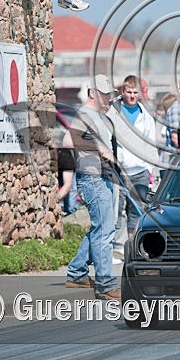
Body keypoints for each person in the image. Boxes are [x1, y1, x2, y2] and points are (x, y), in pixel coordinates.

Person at [63, 74, 120, 300]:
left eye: (110, 95)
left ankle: (76, 273)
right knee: (104, 231)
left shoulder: (98, 115)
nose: (108, 100)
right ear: (92, 94)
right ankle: (106, 284)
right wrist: (98, 148)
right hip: (92, 177)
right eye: (105, 95)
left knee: (101, 228)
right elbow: (68, 141)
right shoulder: (85, 114)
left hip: (102, 176)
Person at [108, 75, 157, 263]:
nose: (132, 96)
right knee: (117, 209)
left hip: (140, 170)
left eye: (135, 93)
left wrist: (150, 169)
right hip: (119, 170)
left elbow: (150, 145)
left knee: (137, 211)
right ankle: (116, 248)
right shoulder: (113, 111)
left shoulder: (146, 117)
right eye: (129, 92)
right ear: (123, 92)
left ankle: (133, 246)